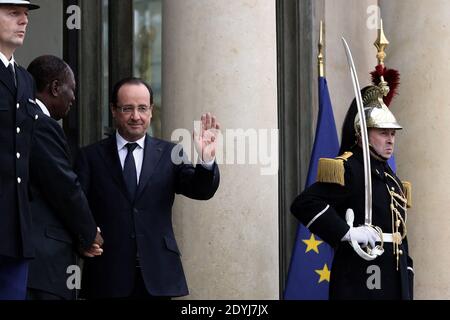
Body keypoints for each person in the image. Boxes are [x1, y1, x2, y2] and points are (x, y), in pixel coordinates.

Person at [75, 77, 221, 299]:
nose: (136, 116)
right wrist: (83, 240)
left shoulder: (171, 153)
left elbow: (200, 190)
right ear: (113, 110)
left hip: (158, 277)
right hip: (107, 277)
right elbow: (76, 208)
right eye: (127, 108)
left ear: (151, 111)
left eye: (142, 108)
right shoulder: (90, 157)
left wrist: (206, 161)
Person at [291, 76, 414, 300]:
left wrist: (407, 275)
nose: (390, 140)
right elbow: (305, 204)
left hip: (394, 279)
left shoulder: (391, 178)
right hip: (361, 277)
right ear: (363, 134)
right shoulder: (350, 168)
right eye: (383, 133)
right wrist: (347, 233)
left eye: (393, 133)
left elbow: (400, 234)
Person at [25, 55, 104, 300]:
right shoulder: (42, 125)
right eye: (72, 89)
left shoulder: (22, 119)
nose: (74, 98)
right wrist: (90, 233)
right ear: (56, 87)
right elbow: (65, 188)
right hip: (43, 264)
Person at [0, 0, 42, 300]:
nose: (23, 21)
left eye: (25, 15)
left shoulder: (25, 79)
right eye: (13, 13)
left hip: (16, 227)